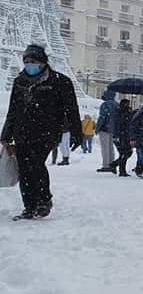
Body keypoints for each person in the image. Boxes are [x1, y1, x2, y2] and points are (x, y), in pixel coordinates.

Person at [1, 44, 82, 221]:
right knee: (24, 168)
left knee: (36, 163)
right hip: (21, 132)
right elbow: (13, 110)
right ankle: (29, 206)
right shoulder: (19, 81)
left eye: (34, 61)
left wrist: (77, 131)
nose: (29, 64)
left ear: (43, 62)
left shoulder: (60, 82)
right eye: (26, 61)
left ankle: (44, 201)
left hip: (47, 132)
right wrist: (5, 135)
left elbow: (72, 110)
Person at [95, 90, 118, 172]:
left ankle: (106, 165)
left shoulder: (105, 104)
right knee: (111, 148)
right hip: (113, 129)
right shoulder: (116, 104)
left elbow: (102, 117)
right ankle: (112, 164)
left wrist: (97, 128)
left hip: (104, 128)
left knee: (105, 147)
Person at [112, 99, 134, 177]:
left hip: (126, 135)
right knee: (124, 153)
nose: (128, 105)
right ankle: (121, 170)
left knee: (127, 152)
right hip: (121, 135)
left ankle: (114, 164)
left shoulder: (127, 112)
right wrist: (116, 136)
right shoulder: (119, 112)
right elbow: (119, 123)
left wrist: (130, 113)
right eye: (127, 104)